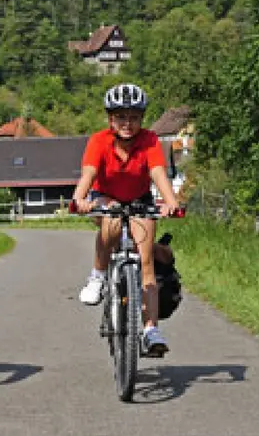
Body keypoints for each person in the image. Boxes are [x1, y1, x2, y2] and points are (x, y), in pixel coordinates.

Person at [70, 83, 181, 357]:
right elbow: (88, 174)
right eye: (121, 117)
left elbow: (157, 174)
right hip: (106, 197)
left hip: (140, 198)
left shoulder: (150, 141)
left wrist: (171, 201)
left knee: (146, 264)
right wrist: (79, 200)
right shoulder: (99, 141)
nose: (127, 123)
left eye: (133, 117)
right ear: (110, 119)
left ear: (141, 119)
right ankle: (97, 275)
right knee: (113, 221)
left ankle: (151, 329)